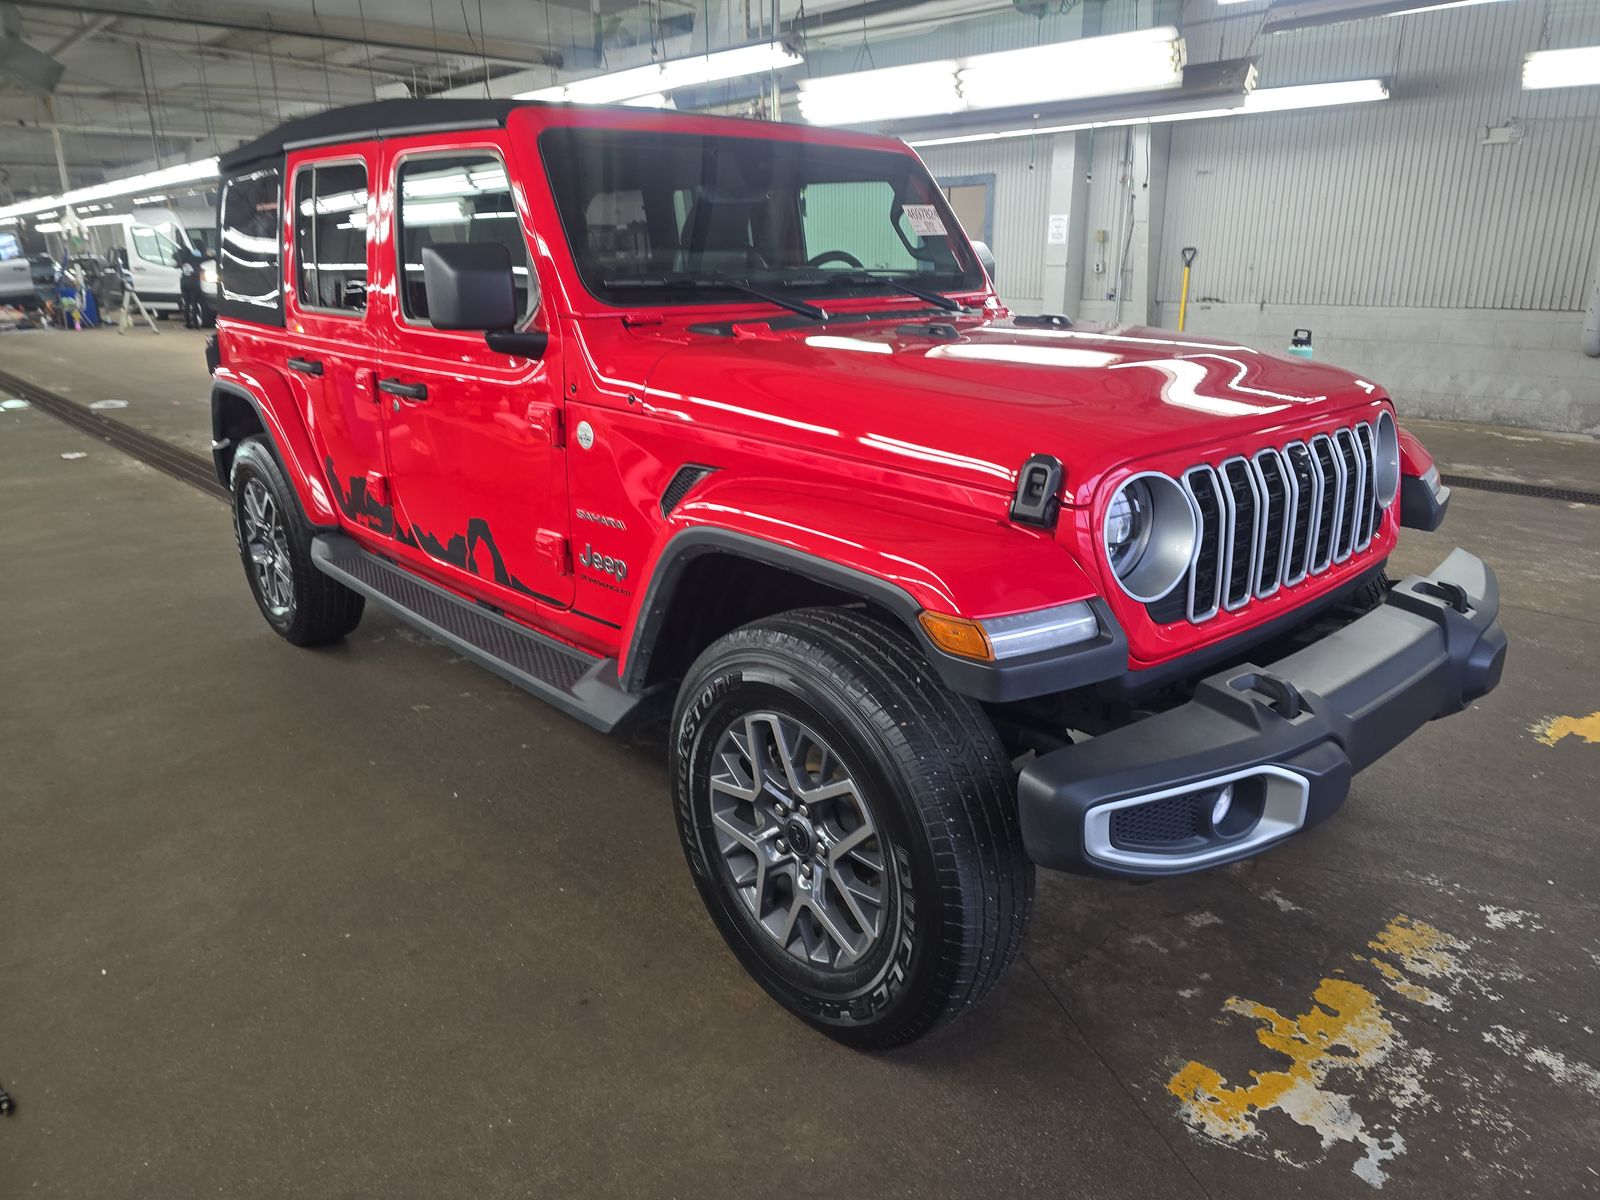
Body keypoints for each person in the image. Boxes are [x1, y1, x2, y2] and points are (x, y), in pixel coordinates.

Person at [174, 243, 203, 328]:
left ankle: (188, 324)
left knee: (186, 304)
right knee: (194, 303)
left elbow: (175, 262)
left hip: (184, 283)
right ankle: (196, 324)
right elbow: (208, 258)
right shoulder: (196, 258)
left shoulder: (181, 260)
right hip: (194, 283)